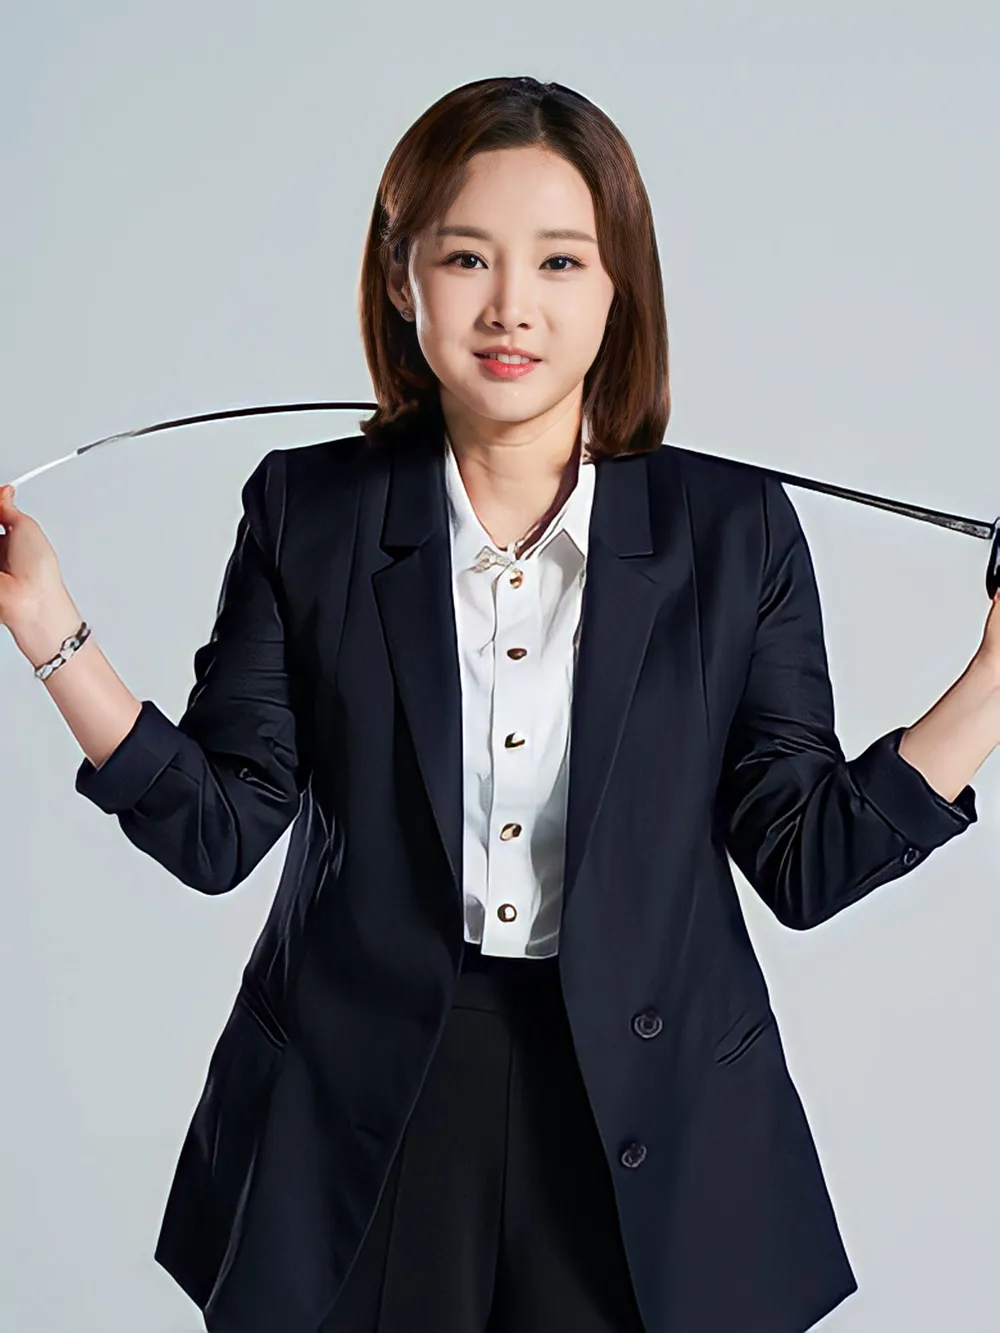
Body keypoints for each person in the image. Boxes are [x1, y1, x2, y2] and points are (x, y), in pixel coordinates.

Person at [2, 74, 999, 1333]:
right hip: (365, 1109)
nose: (511, 306)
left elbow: (804, 858)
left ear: (620, 286)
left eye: (561, 261)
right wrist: (46, 625)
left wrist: (994, 678)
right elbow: (219, 829)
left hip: (646, 1112)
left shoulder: (733, 529)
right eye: (467, 255)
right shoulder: (306, 512)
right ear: (399, 276)